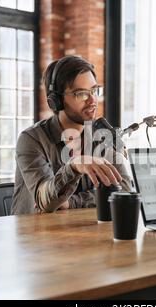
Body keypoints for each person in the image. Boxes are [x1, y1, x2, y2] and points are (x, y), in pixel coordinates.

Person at [12, 55, 131, 215]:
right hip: (34, 233)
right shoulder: (31, 139)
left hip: (81, 232)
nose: (92, 101)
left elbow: (124, 189)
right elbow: (44, 200)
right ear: (56, 100)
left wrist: (73, 202)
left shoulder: (102, 135)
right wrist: (74, 166)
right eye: (81, 94)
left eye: (94, 91)